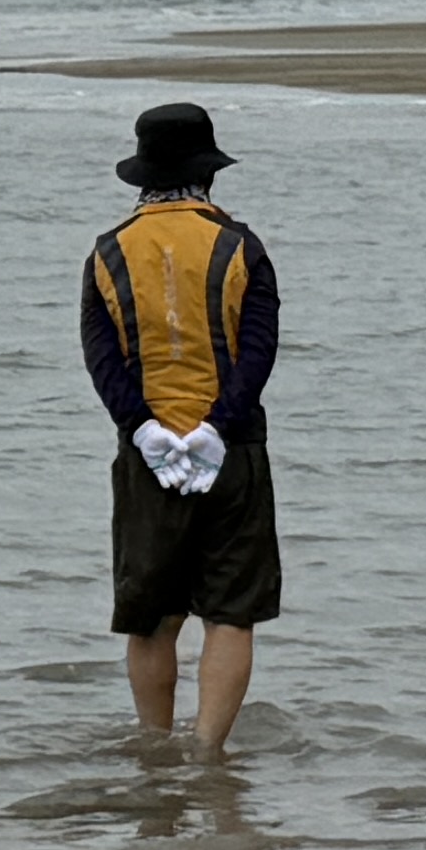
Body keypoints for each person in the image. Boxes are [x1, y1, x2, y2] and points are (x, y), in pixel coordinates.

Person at [81, 102, 280, 756]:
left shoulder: (107, 252)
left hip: (149, 458)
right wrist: (215, 429)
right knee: (231, 612)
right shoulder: (241, 246)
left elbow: (102, 358)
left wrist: (144, 430)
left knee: (152, 617)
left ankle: (154, 750)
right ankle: (207, 753)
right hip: (232, 451)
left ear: (143, 176)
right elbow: (257, 351)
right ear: (208, 174)